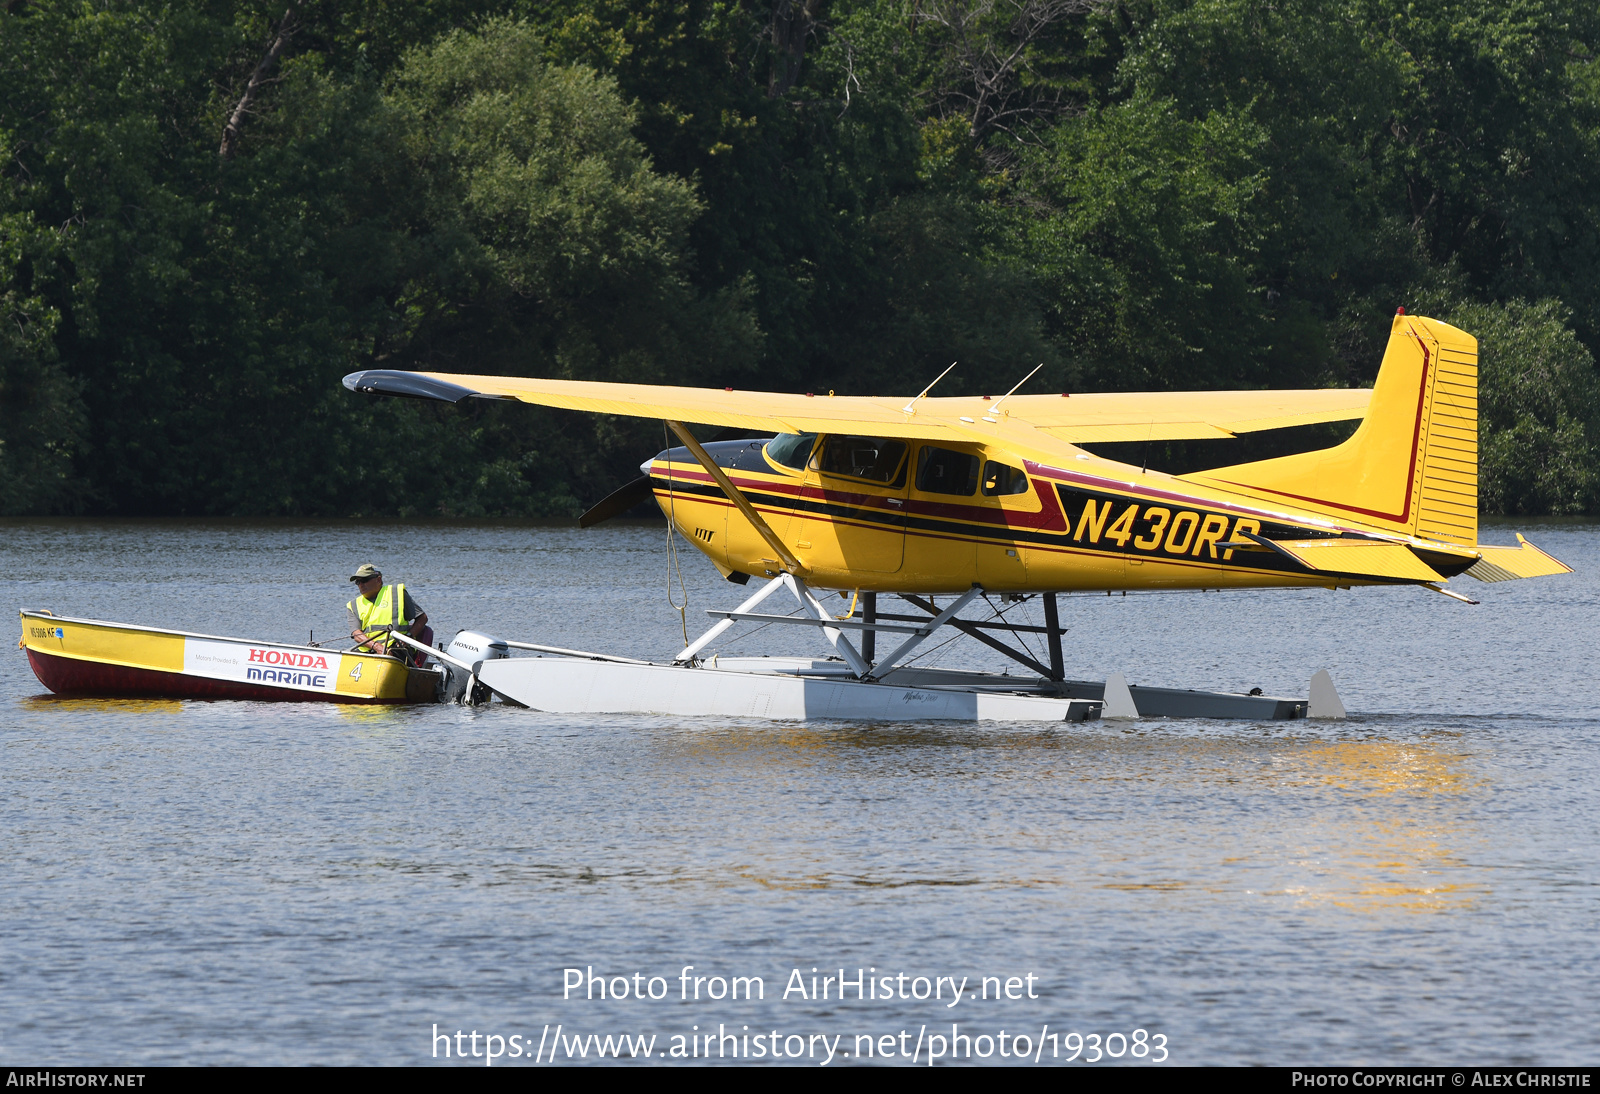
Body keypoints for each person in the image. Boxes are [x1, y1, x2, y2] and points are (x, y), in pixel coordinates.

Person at [347, 564, 432, 665]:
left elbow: (422, 618)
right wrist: (377, 647)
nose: (361, 584)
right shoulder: (353, 605)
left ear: (378, 580)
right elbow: (356, 634)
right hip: (368, 650)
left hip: (397, 649)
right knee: (345, 659)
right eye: (358, 582)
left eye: (364, 580)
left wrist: (408, 637)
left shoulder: (396, 594)